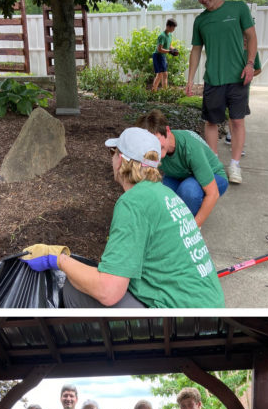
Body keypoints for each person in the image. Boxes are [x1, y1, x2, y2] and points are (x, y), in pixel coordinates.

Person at [21, 127, 225, 309]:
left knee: (75, 292)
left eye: (113, 152)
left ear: (121, 160)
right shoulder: (165, 194)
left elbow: (109, 292)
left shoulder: (133, 202)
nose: (112, 158)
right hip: (207, 304)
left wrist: (57, 259)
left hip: (180, 320)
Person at [186, 0, 258, 185]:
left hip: (238, 77)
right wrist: (190, 78)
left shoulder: (237, 9)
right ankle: (214, 164)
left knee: (237, 120)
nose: (204, 0)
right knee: (211, 121)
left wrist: (250, 64)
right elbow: (196, 50)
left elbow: (251, 36)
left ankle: (235, 165)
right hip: (214, 79)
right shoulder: (201, 21)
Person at [137, 109, 228, 228]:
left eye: (157, 140)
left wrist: (192, 229)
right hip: (180, 175)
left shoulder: (190, 148)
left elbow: (213, 193)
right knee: (161, 194)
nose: (154, 148)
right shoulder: (150, 150)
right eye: (148, 142)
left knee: (188, 191)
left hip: (215, 177)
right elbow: (143, 183)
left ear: (168, 131)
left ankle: (187, 223)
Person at [152, 19, 178, 92]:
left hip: (162, 56)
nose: (173, 29)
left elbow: (169, 46)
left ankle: (164, 92)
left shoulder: (169, 35)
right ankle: (154, 91)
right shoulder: (162, 36)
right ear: (168, 26)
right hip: (157, 55)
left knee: (164, 74)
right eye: (173, 27)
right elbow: (159, 49)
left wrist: (174, 50)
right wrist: (170, 52)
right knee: (160, 74)